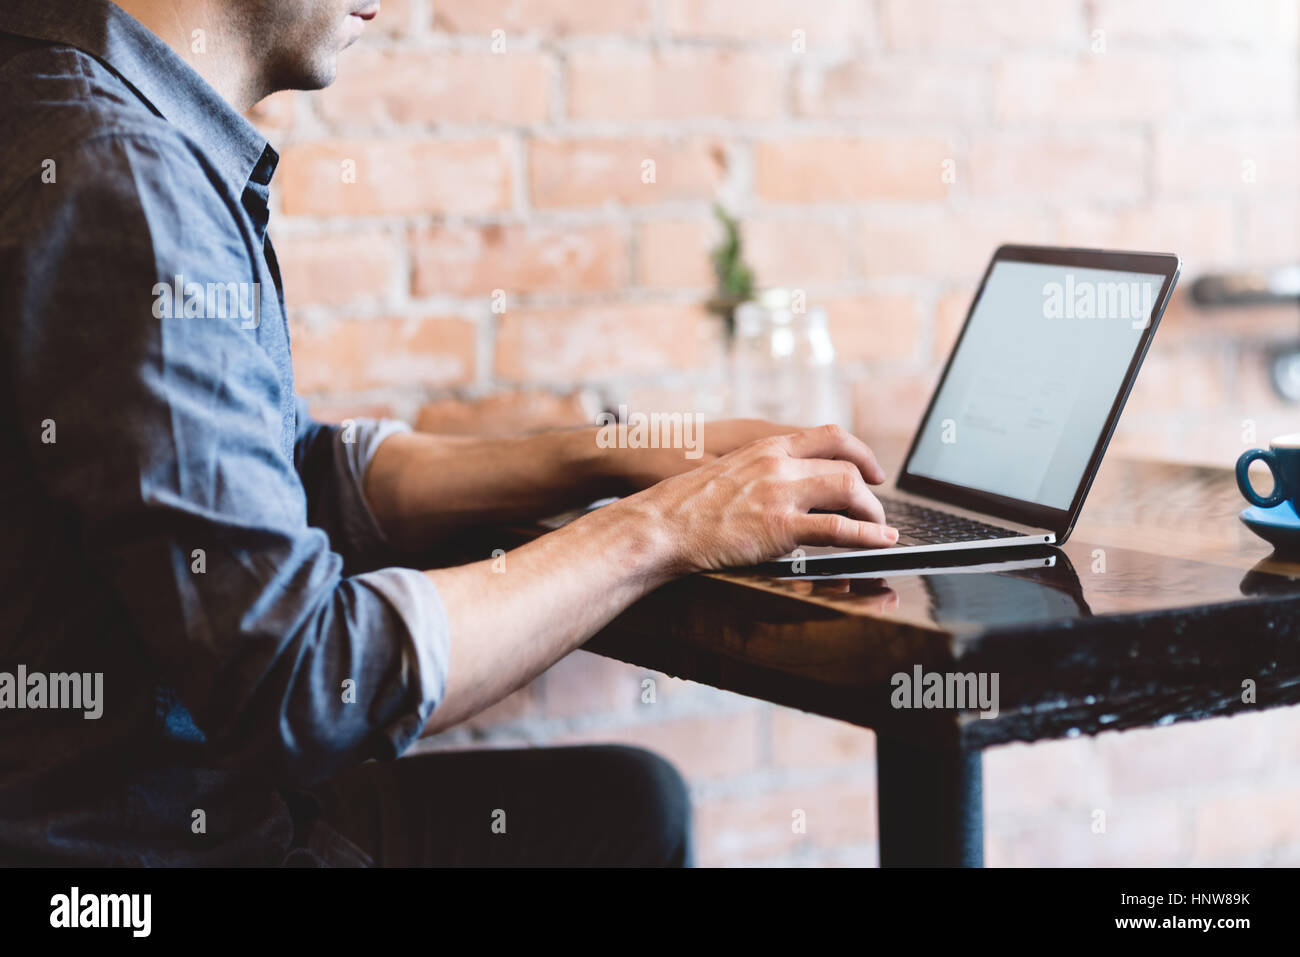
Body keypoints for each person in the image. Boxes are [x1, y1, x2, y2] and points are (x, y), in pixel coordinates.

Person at [0, 0, 896, 866]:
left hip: (179, 805)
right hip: (147, 843)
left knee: (629, 804)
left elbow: (286, 465)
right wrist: (663, 528)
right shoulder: (125, 178)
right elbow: (306, 677)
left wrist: (601, 453)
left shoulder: (70, 102)